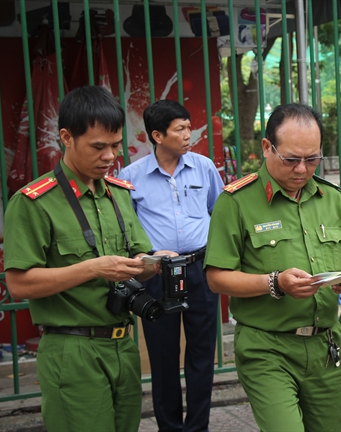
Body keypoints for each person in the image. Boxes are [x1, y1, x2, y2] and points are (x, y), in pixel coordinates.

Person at [3, 86, 169, 432]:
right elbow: (19, 283)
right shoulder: (34, 202)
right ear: (66, 137)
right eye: (98, 146)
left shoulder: (118, 195)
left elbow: (140, 254)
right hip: (72, 349)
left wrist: (154, 261)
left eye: (116, 145)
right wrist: (93, 268)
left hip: (124, 345)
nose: (110, 156)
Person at [204, 103, 341, 432]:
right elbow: (215, 278)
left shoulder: (331, 198)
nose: (302, 169)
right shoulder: (236, 201)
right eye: (291, 159)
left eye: (312, 159)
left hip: (326, 346)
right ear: (267, 147)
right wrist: (275, 283)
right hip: (267, 348)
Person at [118, 99, 224, 432]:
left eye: (189, 127)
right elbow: (126, 230)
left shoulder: (204, 167)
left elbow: (219, 214)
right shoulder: (130, 177)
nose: (188, 134)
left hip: (201, 268)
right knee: (163, 358)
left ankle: (197, 427)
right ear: (157, 135)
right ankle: (169, 427)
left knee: (202, 354)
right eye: (180, 129)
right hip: (157, 273)